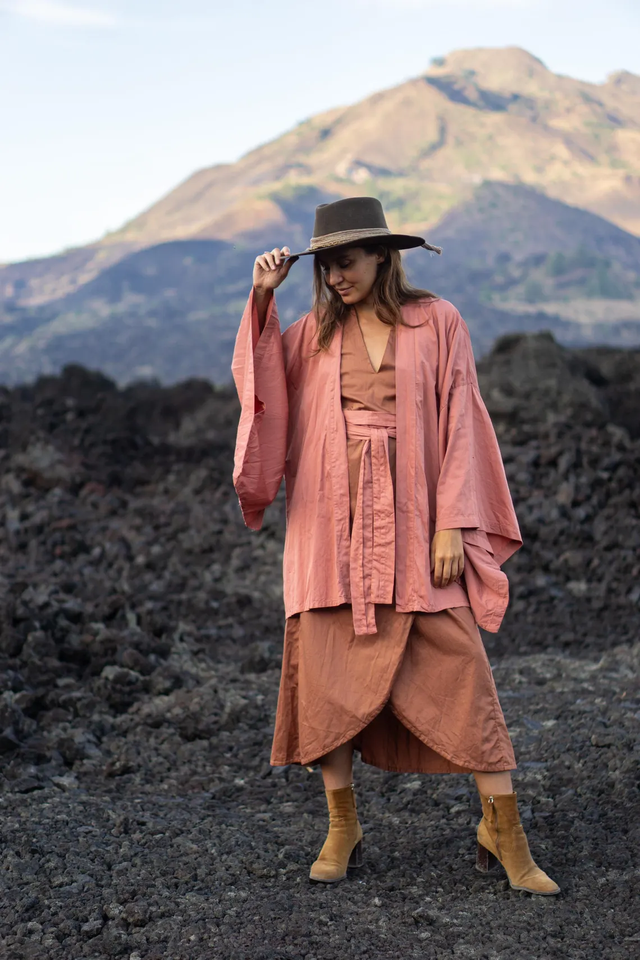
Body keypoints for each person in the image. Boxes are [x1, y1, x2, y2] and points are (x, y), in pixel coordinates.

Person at [231, 196, 559, 895]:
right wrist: (262, 299)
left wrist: (452, 522)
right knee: (327, 667)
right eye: (325, 266)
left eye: (346, 261)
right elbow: (263, 396)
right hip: (328, 521)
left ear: (383, 256)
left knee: (461, 664)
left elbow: (463, 419)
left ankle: (504, 832)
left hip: (417, 516)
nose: (335, 277)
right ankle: (341, 826)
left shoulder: (438, 320)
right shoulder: (311, 333)